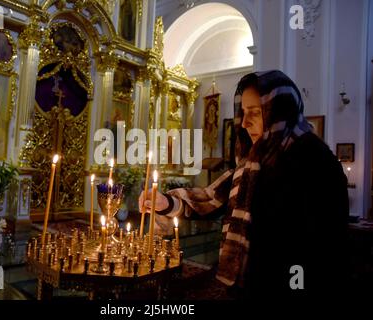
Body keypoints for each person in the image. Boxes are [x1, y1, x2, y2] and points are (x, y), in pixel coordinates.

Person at [139, 70, 349, 299]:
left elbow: (323, 245)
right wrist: (165, 201)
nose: (246, 122)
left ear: (280, 112)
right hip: (247, 284)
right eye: (244, 112)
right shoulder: (254, 158)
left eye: (256, 113)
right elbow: (211, 198)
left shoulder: (315, 160)